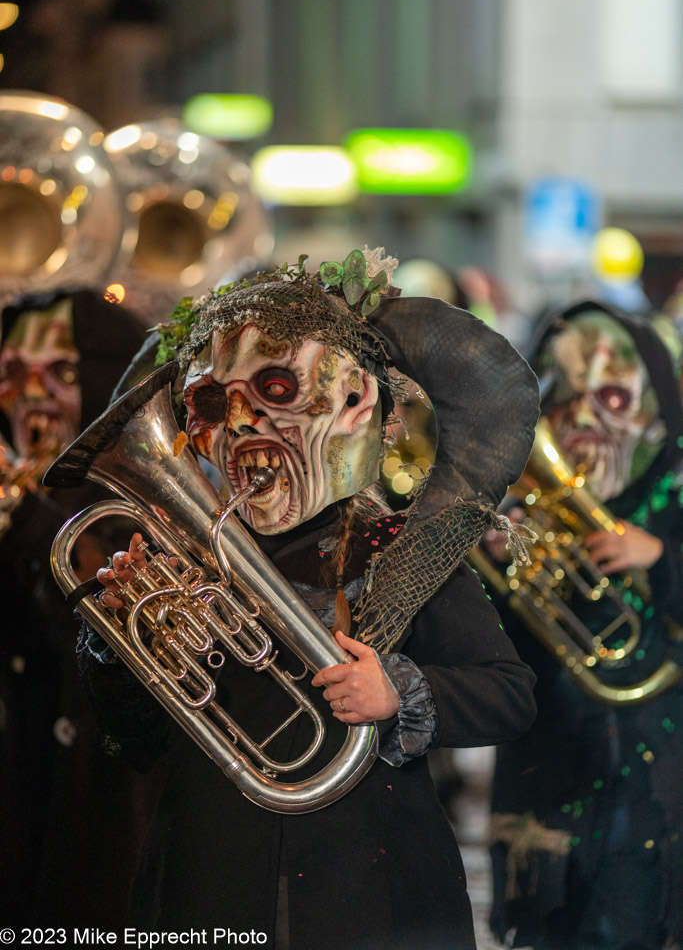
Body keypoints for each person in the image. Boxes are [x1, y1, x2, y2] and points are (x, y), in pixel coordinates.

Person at [74, 247, 540, 949]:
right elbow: (134, 743)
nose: (238, 425)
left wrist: (398, 691)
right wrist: (116, 641)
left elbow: (510, 693)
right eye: (207, 402)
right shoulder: (185, 555)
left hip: (367, 887)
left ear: (356, 405)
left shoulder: (396, 547)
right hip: (208, 879)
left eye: (278, 392)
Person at [487, 301, 683, 950]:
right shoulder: (526, 512)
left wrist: (658, 557)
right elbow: (489, 667)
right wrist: (491, 563)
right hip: (546, 782)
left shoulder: (673, 502)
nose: (581, 420)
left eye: (611, 397)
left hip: (658, 796)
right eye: (560, 398)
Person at [0, 287, 150, 927]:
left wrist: (23, 518)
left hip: (96, 800)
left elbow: (105, 623)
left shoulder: (138, 491)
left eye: (60, 374)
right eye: (12, 374)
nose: (33, 396)